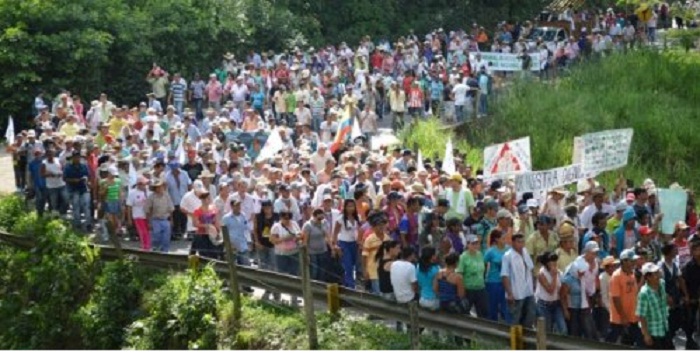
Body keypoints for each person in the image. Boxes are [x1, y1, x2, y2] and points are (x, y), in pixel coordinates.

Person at [606, 248, 643, 347]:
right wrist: (623, 317)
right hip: (619, 319)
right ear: (624, 261)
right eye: (632, 261)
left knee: (630, 343)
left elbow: (634, 293)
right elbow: (616, 299)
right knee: (610, 343)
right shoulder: (616, 276)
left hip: (632, 316)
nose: (634, 263)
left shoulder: (632, 273)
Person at [501, 232, 536, 328]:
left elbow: (530, 269)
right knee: (515, 319)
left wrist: (533, 285)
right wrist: (509, 293)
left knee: (529, 317)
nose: (521, 244)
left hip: (528, 291)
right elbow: (505, 275)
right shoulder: (507, 256)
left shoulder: (525, 252)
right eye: (518, 242)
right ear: (513, 242)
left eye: (522, 242)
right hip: (516, 293)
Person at [636, 262, 672, 349]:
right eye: (655, 273)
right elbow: (641, 316)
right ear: (648, 277)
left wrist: (668, 299)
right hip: (653, 332)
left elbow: (664, 296)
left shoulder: (662, 283)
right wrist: (646, 335)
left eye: (657, 272)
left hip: (664, 326)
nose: (658, 274)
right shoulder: (644, 293)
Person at [484, 229, 512, 323]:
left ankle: (507, 327)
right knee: (493, 306)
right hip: (493, 281)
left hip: (506, 281)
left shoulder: (509, 250)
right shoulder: (491, 251)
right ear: (496, 239)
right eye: (503, 238)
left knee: (506, 306)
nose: (505, 240)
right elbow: (484, 264)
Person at [535, 251, 567, 334]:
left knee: (563, 329)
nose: (555, 263)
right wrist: (554, 277)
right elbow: (550, 291)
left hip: (556, 303)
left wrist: (565, 308)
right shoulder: (541, 274)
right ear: (546, 263)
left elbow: (561, 290)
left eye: (555, 261)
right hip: (543, 305)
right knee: (547, 331)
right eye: (552, 261)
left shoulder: (559, 273)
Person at [457, 234, 488, 317]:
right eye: (473, 243)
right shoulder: (463, 257)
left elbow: (483, 269)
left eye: (477, 243)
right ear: (468, 244)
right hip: (468, 289)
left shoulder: (480, 254)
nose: (475, 245)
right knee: (465, 313)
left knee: (483, 313)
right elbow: (459, 274)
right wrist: (462, 291)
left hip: (480, 288)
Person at [333, 199, 361, 289]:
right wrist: (335, 246)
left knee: (354, 264)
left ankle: (347, 283)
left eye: (352, 206)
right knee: (348, 265)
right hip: (344, 243)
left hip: (354, 243)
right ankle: (351, 286)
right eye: (349, 206)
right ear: (345, 207)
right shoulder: (340, 219)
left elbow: (359, 230)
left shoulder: (357, 217)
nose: (351, 208)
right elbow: (335, 233)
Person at [190, 190, 223, 260]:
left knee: (214, 254)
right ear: (202, 199)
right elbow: (195, 223)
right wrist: (206, 225)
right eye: (204, 198)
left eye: (208, 198)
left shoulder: (214, 209)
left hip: (212, 234)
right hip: (202, 235)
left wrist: (219, 232)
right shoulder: (197, 211)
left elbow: (217, 221)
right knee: (204, 255)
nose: (207, 200)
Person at [63, 151, 92, 231]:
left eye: (78, 157)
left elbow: (88, 175)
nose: (77, 158)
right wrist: (73, 180)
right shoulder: (68, 167)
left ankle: (88, 224)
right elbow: (64, 178)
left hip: (84, 188)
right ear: (72, 158)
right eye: (75, 157)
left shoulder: (84, 166)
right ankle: (77, 223)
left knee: (86, 206)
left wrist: (86, 179)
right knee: (76, 207)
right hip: (73, 189)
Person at [145, 179, 175, 252]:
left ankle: (165, 251)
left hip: (165, 219)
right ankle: (155, 249)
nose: (160, 188)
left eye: (161, 186)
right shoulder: (151, 197)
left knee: (166, 238)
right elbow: (148, 210)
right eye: (157, 187)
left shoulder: (166, 195)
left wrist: (171, 220)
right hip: (155, 220)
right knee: (156, 237)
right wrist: (149, 222)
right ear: (155, 188)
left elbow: (170, 208)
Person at [301, 208, 331, 281]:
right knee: (315, 271)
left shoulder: (324, 223)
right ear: (314, 217)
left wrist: (332, 247)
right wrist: (306, 254)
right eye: (319, 218)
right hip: (312, 252)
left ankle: (321, 286)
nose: (320, 220)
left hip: (323, 250)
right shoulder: (308, 225)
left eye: (322, 218)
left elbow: (328, 236)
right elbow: (305, 241)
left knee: (323, 271)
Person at [222, 197, 251, 266]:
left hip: (243, 245)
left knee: (246, 266)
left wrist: (249, 242)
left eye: (239, 205)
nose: (238, 207)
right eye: (236, 205)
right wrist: (228, 244)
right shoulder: (226, 218)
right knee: (232, 267)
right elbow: (223, 232)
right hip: (231, 247)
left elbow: (246, 229)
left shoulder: (243, 215)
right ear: (232, 206)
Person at [126, 176, 151, 250]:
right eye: (144, 184)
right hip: (138, 215)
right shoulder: (132, 193)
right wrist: (129, 219)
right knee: (143, 232)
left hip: (147, 215)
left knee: (148, 232)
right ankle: (145, 247)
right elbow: (129, 206)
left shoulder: (148, 192)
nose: (145, 185)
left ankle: (148, 246)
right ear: (139, 184)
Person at [416, 246, 440, 311]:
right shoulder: (436, 269)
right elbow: (435, 288)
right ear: (432, 256)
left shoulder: (418, 267)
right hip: (433, 300)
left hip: (422, 299)